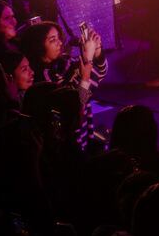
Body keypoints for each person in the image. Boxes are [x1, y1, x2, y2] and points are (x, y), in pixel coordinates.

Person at [19, 21, 107, 151]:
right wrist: (87, 61)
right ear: (38, 46)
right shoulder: (43, 80)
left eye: (59, 38)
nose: (60, 43)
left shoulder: (65, 63)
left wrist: (97, 51)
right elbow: (79, 102)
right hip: (69, 143)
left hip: (85, 133)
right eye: (52, 40)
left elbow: (99, 74)